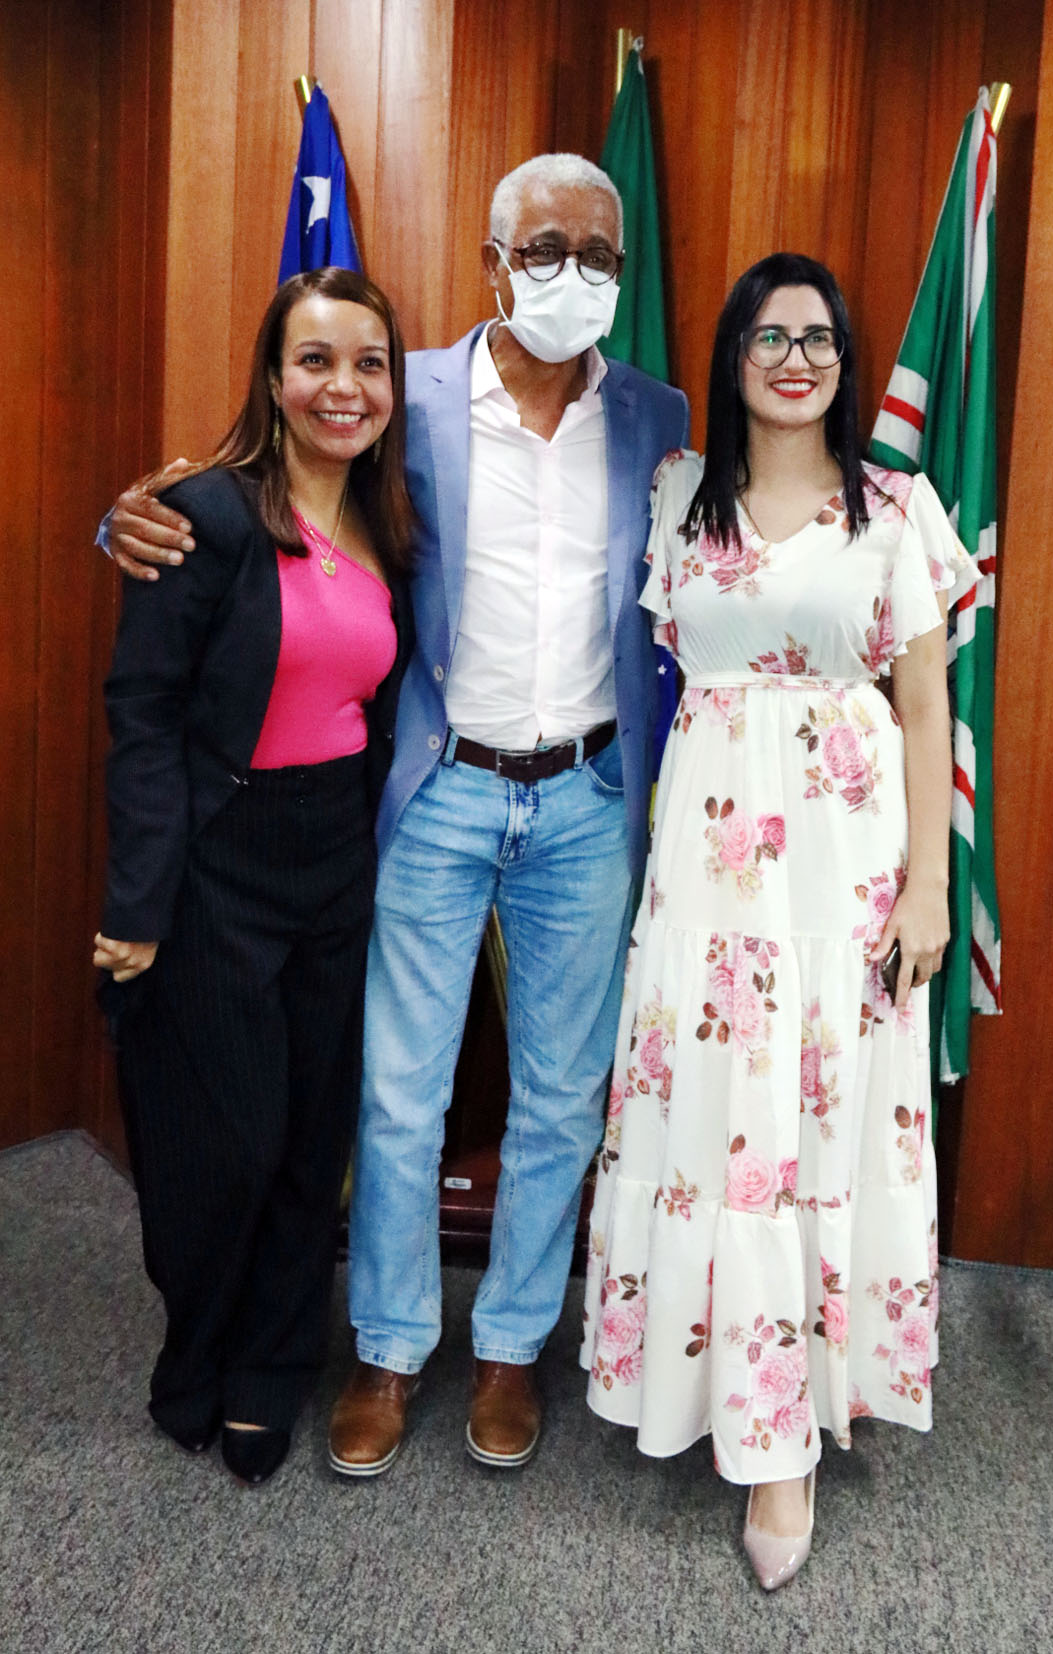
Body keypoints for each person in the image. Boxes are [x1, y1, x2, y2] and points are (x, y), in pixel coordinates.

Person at [105, 154, 689, 1477]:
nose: (575, 274)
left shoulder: (655, 414)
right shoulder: (401, 390)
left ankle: (510, 1344)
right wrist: (122, 521)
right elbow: (263, 493)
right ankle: (387, 1343)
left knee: (561, 1098)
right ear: (493, 262)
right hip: (437, 789)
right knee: (397, 1092)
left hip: (589, 795)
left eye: (600, 254)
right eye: (546, 248)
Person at [580, 253, 976, 1587]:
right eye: (768, 335)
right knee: (709, 1123)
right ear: (732, 353)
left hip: (842, 874)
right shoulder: (676, 494)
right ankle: (700, 1386)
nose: (794, 358)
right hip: (705, 879)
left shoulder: (896, 507)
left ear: (843, 359)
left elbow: (922, 706)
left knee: (814, 1126)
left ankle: (785, 1441)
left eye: (816, 337)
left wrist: (928, 887)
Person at [96, 266, 414, 1486]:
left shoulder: (389, 526)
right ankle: (200, 1351)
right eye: (315, 360)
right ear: (273, 379)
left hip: (337, 860)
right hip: (218, 861)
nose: (344, 387)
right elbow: (143, 715)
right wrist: (138, 904)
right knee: (221, 1142)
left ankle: (273, 1365)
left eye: (369, 364)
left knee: (307, 1136)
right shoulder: (206, 516)